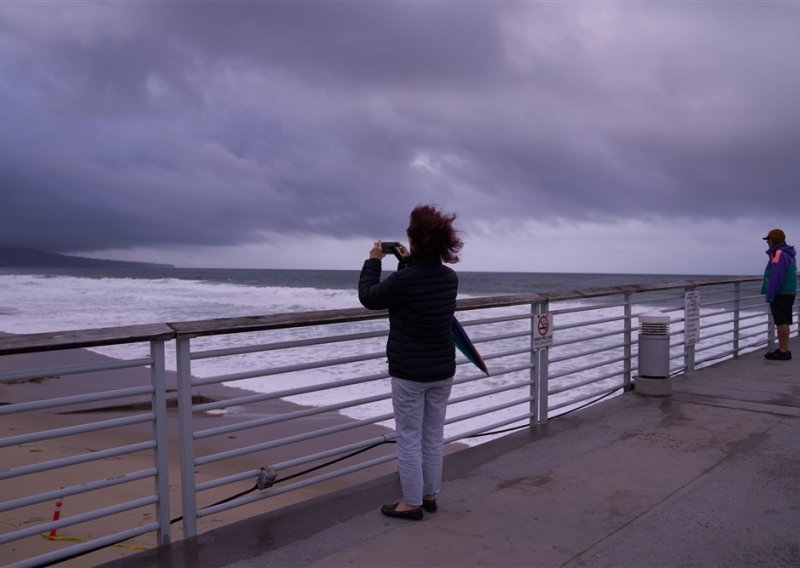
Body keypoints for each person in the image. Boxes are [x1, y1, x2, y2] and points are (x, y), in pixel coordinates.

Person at [358, 204, 463, 520]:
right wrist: (408, 261)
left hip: (410, 373)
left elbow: (370, 296)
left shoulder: (406, 280)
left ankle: (411, 502)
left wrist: (373, 261)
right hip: (442, 368)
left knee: (408, 438)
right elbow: (419, 284)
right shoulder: (450, 278)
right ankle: (430, 495)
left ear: (415, 239)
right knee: (432, 435)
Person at [761, 228, 797, 360]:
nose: (768, 243)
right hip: (789, 292)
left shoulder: (778, 254)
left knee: (780, 322)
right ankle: (784, 349)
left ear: (773, 240)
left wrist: (770, 294)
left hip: (780, 293)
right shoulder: (788, 254)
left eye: (768, 240)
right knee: (784, 322)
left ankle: (783, 351)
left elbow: (776, 276)